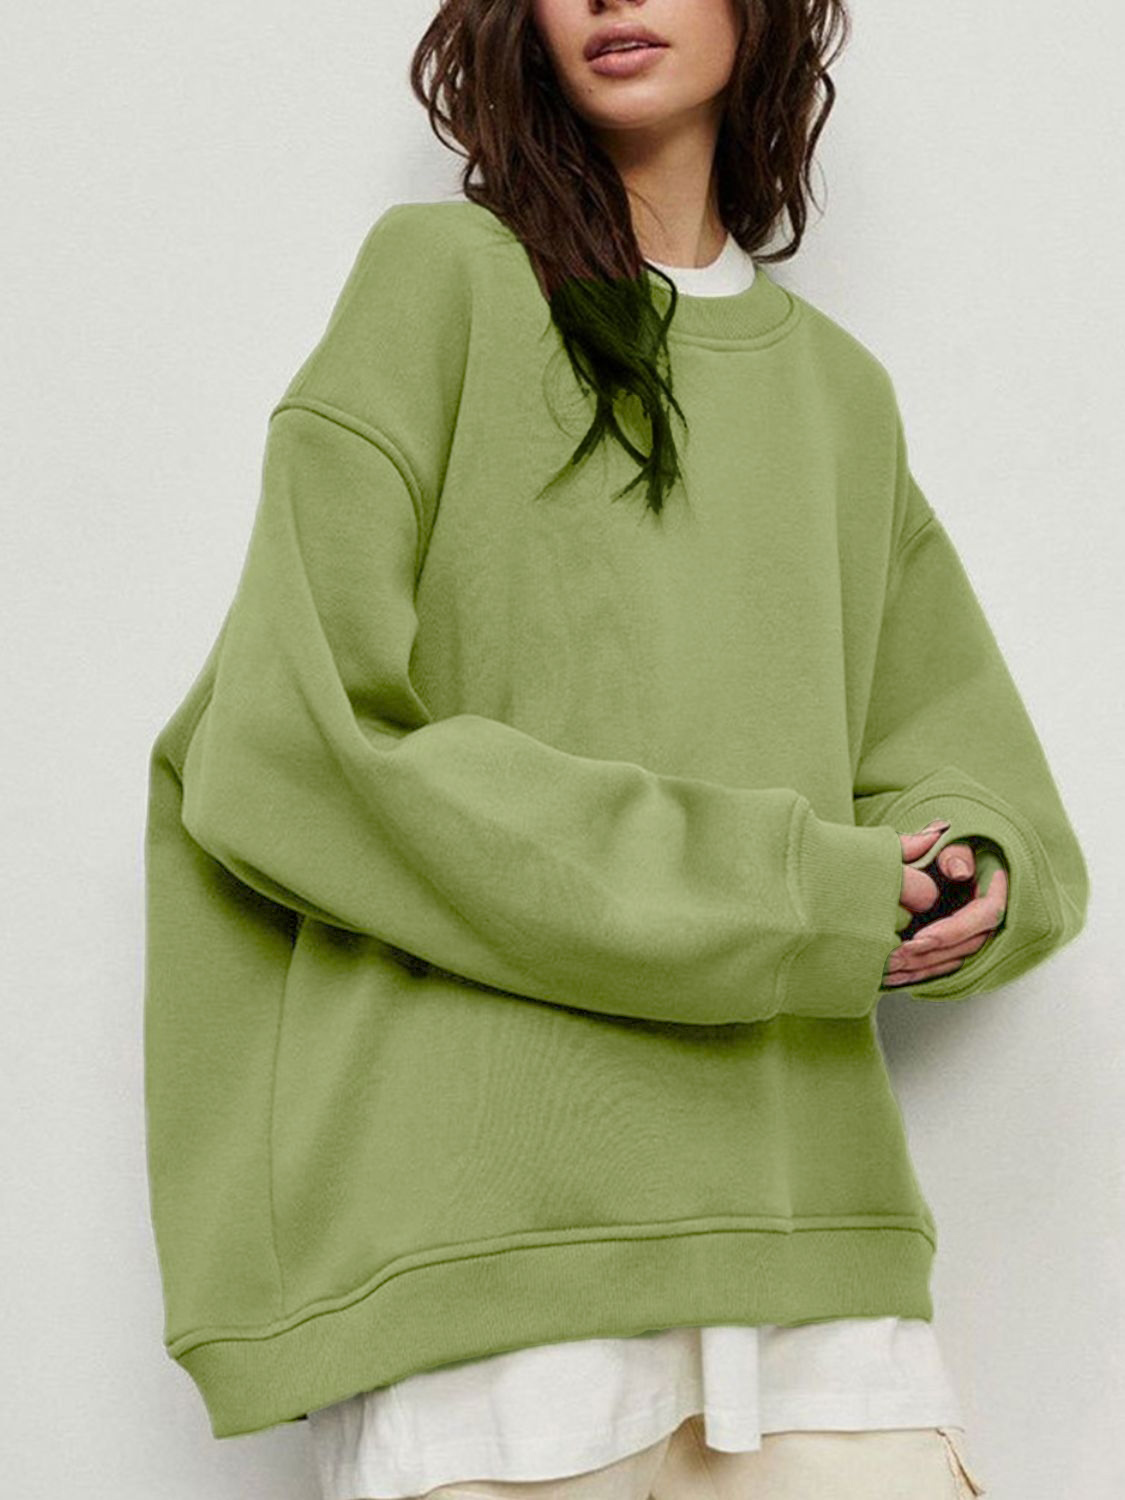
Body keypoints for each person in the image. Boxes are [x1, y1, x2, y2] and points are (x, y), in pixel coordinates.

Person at [142, 1, 1090, 1496]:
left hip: (807, 1240)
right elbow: (290, 745)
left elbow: (965, 770)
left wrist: (968, 869)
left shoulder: (838, 396)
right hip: (494, 1252)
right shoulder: (442, 284)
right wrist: (797, 892)